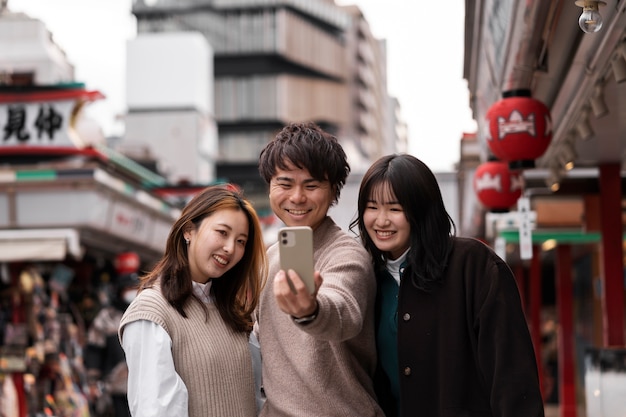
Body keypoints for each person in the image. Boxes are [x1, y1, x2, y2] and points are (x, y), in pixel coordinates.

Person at [351, 153, 545, 417]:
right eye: (372, 207)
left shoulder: (474, 266)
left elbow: (511, 374)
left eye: (395, 209)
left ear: (421, 211)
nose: (381, 220)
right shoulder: (365, 276)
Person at [255, 121, 384, 416]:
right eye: (285, 184)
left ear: (333, 191)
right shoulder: (267, 258)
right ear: (270, 187)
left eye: (311, 185)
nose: (297, 197)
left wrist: (310, 310)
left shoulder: (346, 254)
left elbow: (342, 310)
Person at [118, 185, 268, 417]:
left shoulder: (233, 312)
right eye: (222, 232)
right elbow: (156, 411)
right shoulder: (152, 311)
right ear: (189, 230)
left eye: (241, 241)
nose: (230, 248)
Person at [85, 271, 139, 417]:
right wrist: (92, 381)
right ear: (120, 291)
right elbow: (94, 350)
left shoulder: (145, 312)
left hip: (143, 384)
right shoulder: (106, 317)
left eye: (135, 288)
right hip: (114, 386)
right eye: (128, 289)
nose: (132, 292)